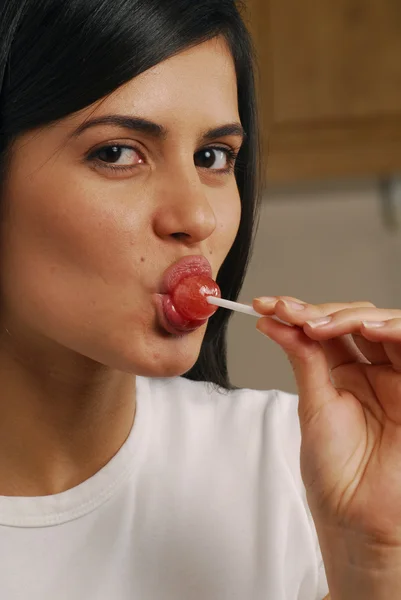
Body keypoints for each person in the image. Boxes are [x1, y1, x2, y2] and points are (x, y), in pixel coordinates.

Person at [0, 0, 400, 598]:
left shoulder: (303, 472)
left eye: (213, 158)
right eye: (116, 153)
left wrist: (374, 560)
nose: (198, 216)